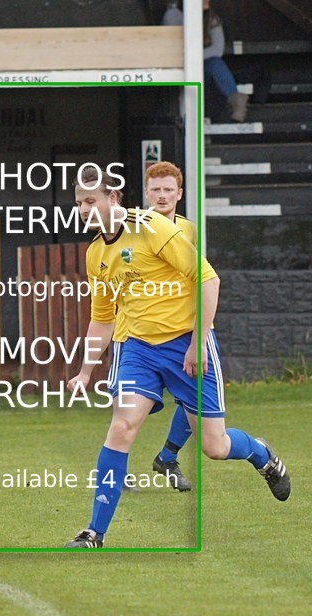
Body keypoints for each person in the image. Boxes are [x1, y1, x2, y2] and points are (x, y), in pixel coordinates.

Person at [64, 167, 290, 548]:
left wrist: (198, 343)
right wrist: (85, 371)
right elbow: (102, 318)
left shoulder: (153, 227)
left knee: (214, 447)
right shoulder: (95, 254)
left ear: (113, 199)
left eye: (91, 201)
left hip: (186, 341)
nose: (84, 210)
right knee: (121, 427)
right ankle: (93, 532)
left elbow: (209, 279)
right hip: (138, 349)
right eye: (79, 204)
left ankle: (261, 454)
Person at [107, 161, 197, 492]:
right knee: (125, 413)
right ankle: (117, 472)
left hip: (178, 333)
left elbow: (195, 277)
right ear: (146, 193)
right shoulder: (130, 229)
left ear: (179, 194)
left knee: (195, 400)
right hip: (132, 334)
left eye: (168, 189)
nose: (161, 196)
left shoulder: (188, 230)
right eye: (155, 190)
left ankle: (167, 457)